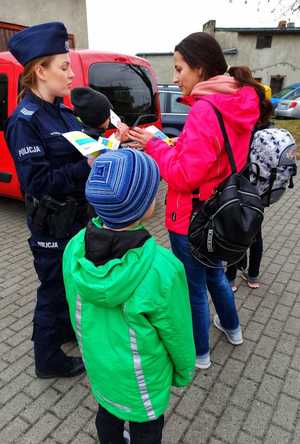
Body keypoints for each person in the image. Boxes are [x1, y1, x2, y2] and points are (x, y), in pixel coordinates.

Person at [129, 32, 269, 369]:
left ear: (201, 69)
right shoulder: (237, 101)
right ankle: (233, 329)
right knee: (216, 276)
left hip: (193, 216)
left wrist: (155, 146)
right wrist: (178, 144)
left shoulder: (206, 110)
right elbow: (214, 155)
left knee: (194, 288)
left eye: (179, 69)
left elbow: (182, 176)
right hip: (221, 209)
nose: (175, 78)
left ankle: (200, 354)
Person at [63, 148, 195, 444]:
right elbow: (177, 331)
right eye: (154, 190)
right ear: (142, 206)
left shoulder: (74, 248)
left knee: (107, 416)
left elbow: (75, 305)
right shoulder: (164, 269)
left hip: (100, 366)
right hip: (143, 380)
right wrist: (184, 371)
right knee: (147, 430)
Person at [5, 22, 92, 378]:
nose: (72, 74)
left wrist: (109, 142)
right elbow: (37, 182)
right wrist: (85, 166)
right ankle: (47, 359)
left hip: (76, 220)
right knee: (53, 289)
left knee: (69, 284)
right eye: (64, 66)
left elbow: (83, 146)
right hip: (51, 224)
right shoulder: (25, 121)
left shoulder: (62, 112)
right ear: (40, 70)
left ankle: (65, 330)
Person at [225, 97, 274, 292]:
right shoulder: (270, 130)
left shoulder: (248, 130)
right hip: (262, 190)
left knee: (235, 230)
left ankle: (229, 278)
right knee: (255, 232)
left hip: (243, 187)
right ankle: (252, 276)